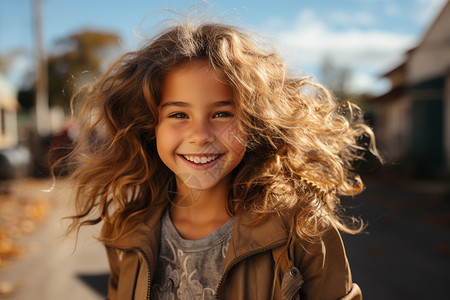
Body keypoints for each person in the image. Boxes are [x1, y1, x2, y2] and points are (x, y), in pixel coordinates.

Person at [64, 20, 379, 300]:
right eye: (178, 114)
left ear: (254, 122)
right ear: (151, 126)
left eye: (221, 114)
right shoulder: (127, 230)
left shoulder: (302, 229)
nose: (200, 135)